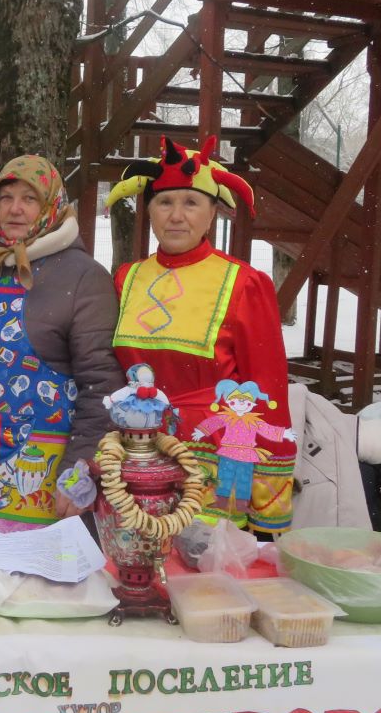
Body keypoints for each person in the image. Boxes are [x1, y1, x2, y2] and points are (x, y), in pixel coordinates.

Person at [106, 135, 294, 533]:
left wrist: (268, 505)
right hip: (137, 458)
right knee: (136, 558)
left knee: (202, 568)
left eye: (191, 203)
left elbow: (268, 389)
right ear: (149, 211)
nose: (176, 216)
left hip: (214, 465)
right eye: (164, 202)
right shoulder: (126, 279)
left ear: (212, 213)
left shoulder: (244, 283)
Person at [0, 155, 123, 541]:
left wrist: (81, 466)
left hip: (44, 484)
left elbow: (102, 385)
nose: (15, 209)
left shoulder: (84, 276)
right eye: (6, 197)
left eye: (30, 199)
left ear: (53, 205)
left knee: (36, 578)